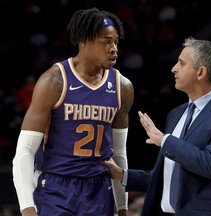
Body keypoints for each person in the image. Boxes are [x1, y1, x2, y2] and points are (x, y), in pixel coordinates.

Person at [101, 37, 211, 215]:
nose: (173, 68)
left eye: (181, 63)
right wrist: (122, 175)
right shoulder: (176, 114)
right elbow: (166, 178)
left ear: (201, 72)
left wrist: (165, 140)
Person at [12, 7, 134, 216]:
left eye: (116, 42)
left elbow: (119, 154)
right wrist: (27, 207)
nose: (113, 48)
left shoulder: (122, 86)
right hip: (55, 186)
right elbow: (24, 151)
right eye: (106, 42)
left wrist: (122, 206)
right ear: (84, 41)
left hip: (98, 189)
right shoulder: (54, 81)